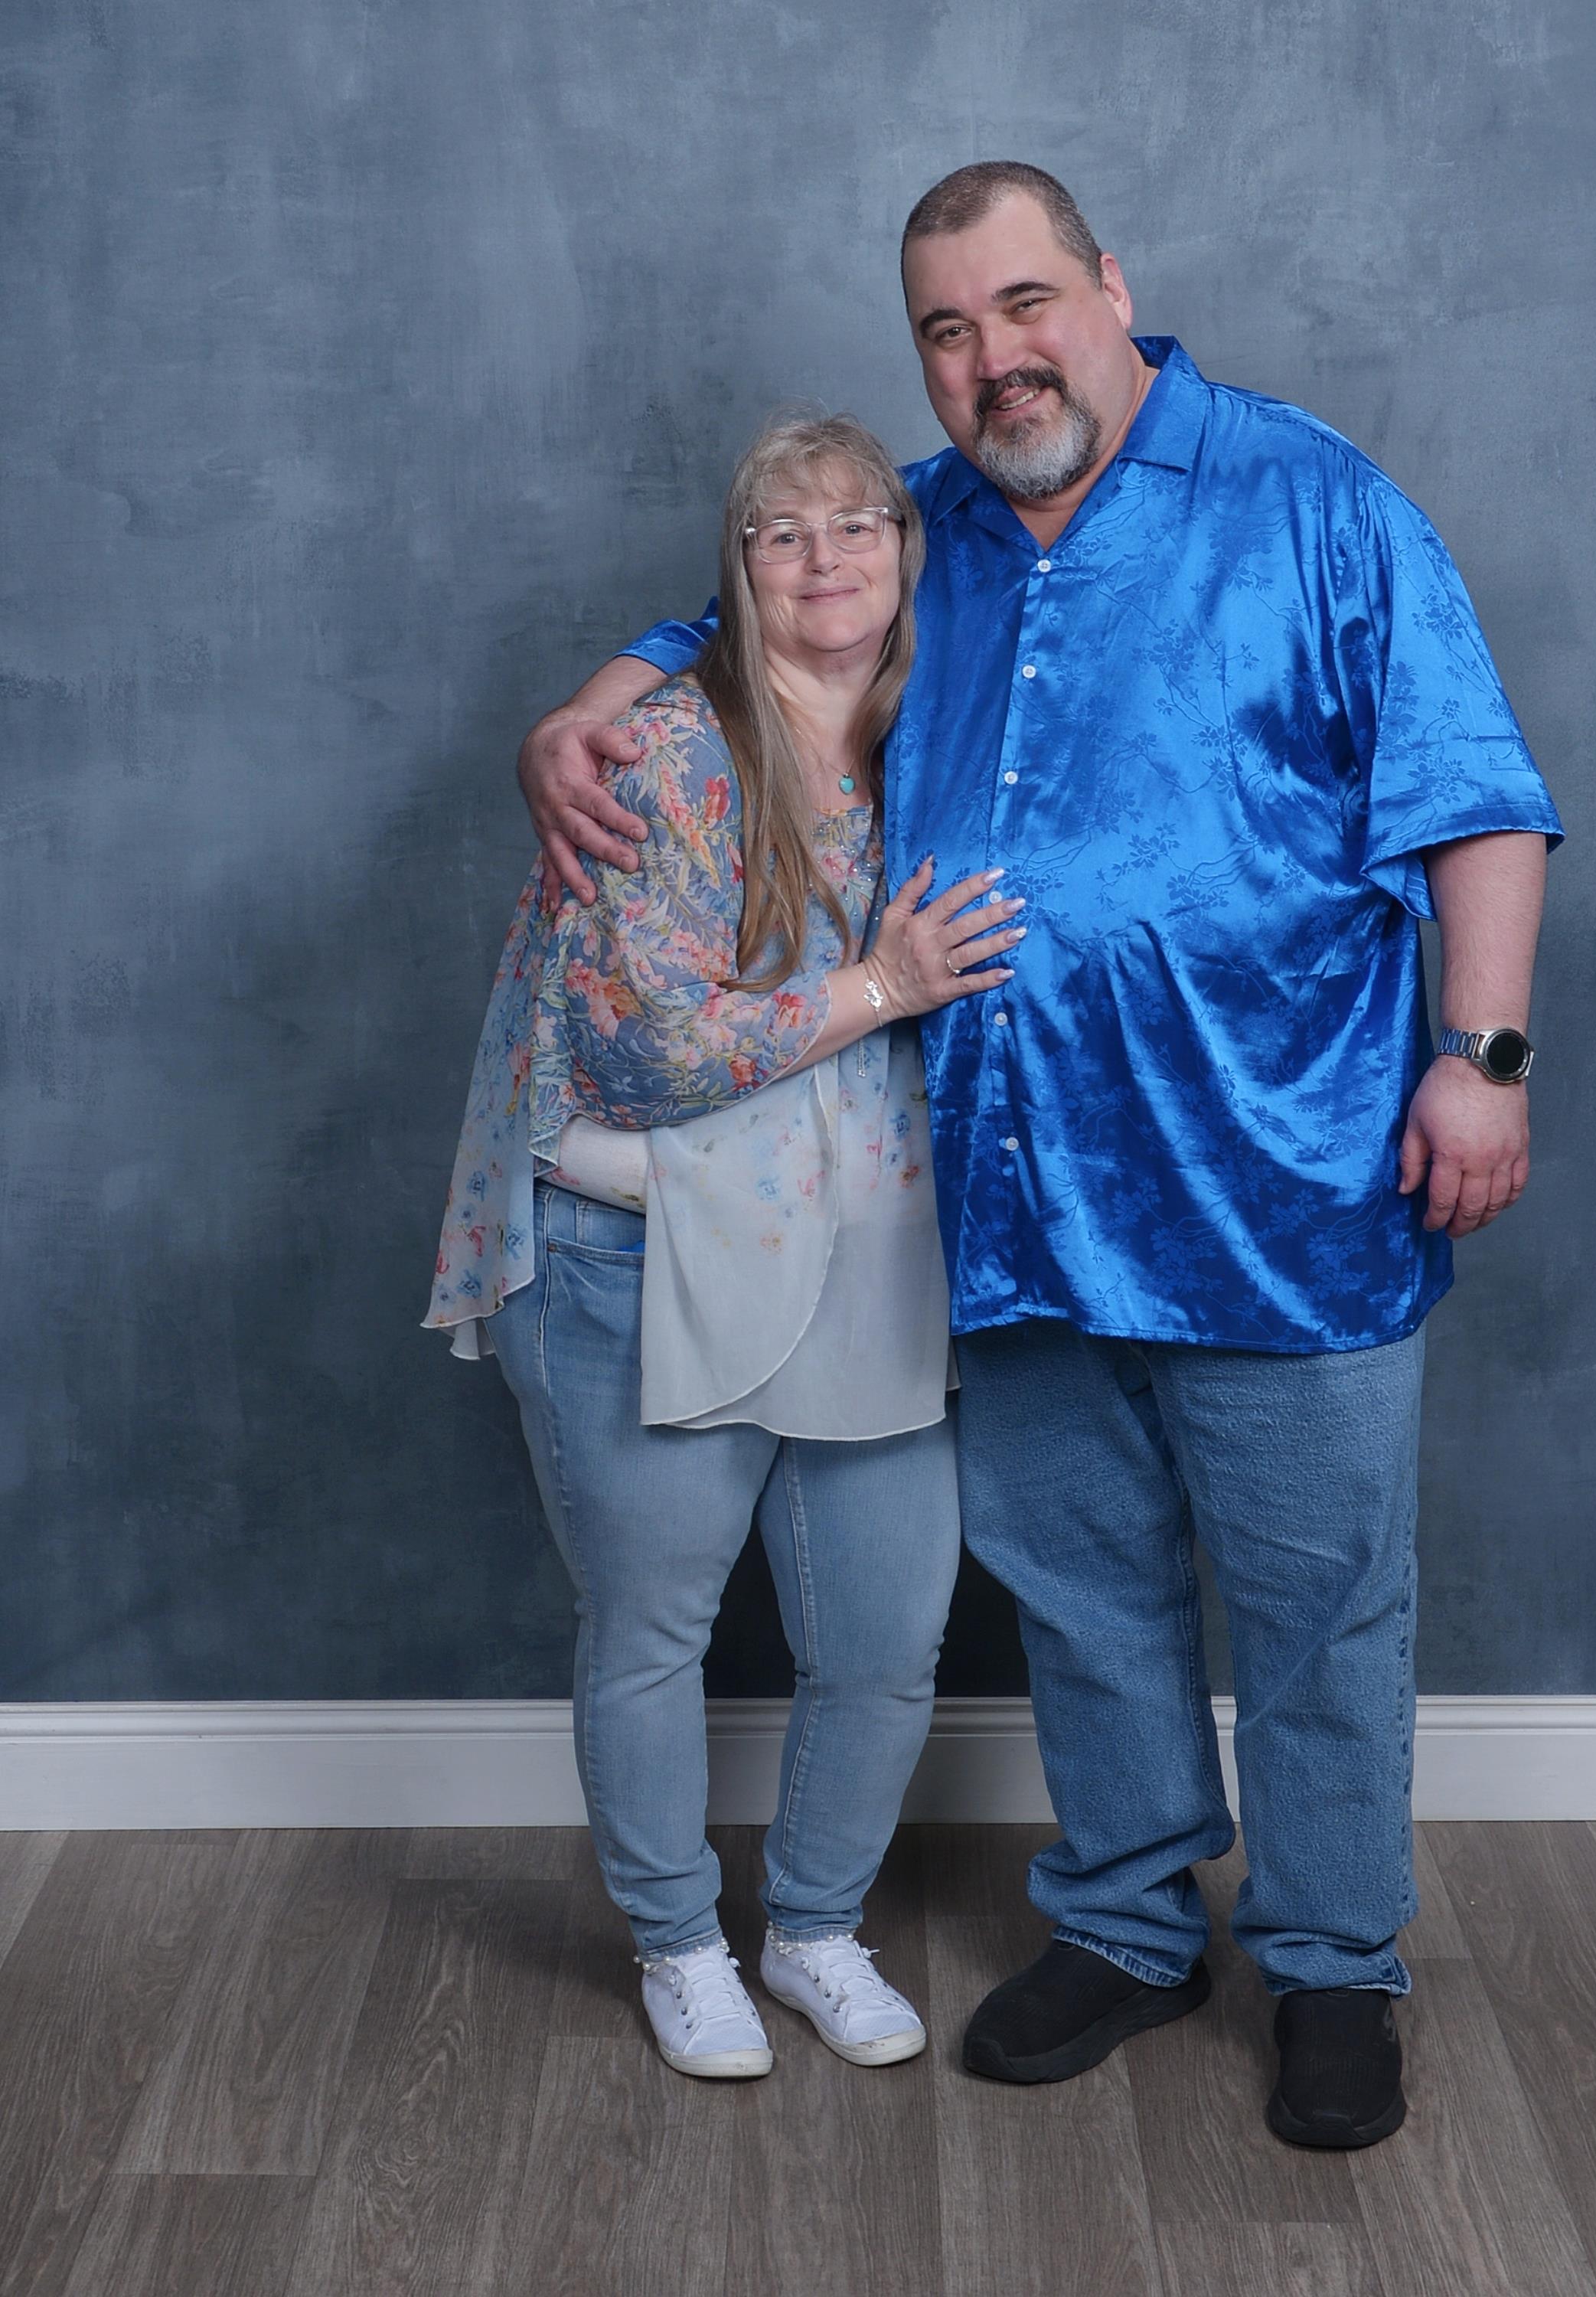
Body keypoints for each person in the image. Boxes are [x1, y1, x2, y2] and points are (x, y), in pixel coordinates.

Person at [516, 164, 1563, 2148]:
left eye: (1022, 306)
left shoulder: (1312, 500)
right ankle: (1130, 1921)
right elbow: (741, 617)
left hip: (1288, 1186)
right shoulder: (923, 531)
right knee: (1085, 1596)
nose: (993, 358)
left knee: (1323, 1609)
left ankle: (1334, 1964)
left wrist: (1481, 1056)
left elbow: (1475, 797)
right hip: (1013, 1194)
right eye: (946, 328)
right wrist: (587, 704)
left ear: (1109, 288)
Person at [425, 413, 1023, 2080]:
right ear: (736, 571)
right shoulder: (665, 756)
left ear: (909, 555)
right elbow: (650, 1054)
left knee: (887, 1638)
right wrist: (882, 989)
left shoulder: (945, 739)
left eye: (858, 527)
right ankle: (679, 1944)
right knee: (650, 1629)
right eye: (782, 535)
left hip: (871, 1248)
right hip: (633, 1252)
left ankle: (816, 1928)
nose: (826, 560)